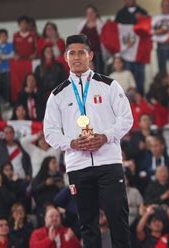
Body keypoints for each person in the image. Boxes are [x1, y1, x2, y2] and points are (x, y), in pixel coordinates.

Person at [43, 34, 133, 247]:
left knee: (118, 220)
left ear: (90, 55)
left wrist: (105, 137)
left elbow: (127, 119)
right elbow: (50, 132)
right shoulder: (57, 95)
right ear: (65, 57)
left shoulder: (109, 85)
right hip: (78, 164)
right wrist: (71, 143)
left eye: (81, 52)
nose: (76, 57)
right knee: (87, 224)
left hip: (109, 162)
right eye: (71, 53)